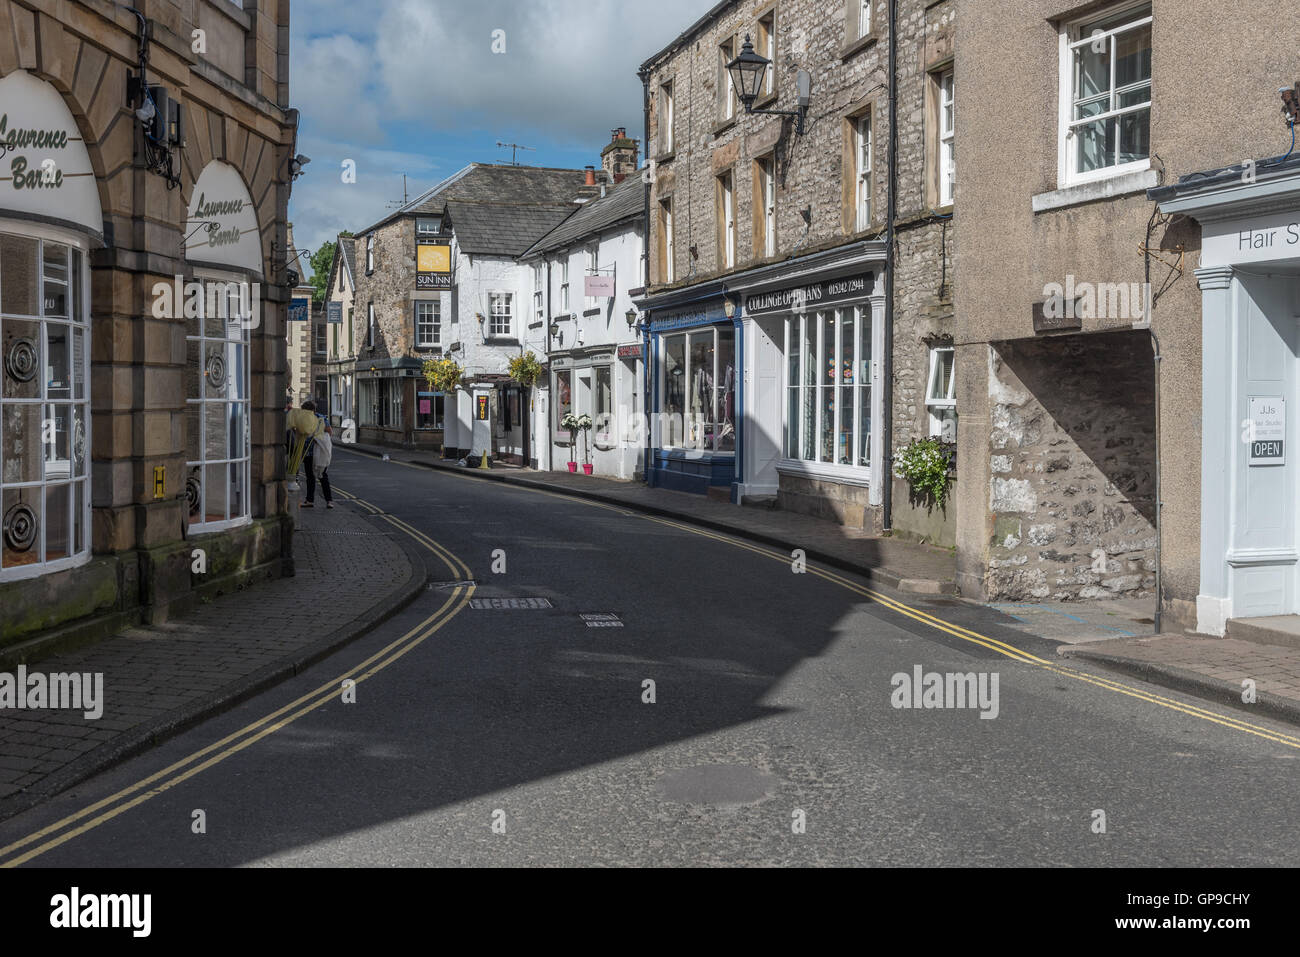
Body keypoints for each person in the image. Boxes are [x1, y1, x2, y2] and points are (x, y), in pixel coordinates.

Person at [300, 400, 333, 509]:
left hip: (314, 452)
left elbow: (329, 431)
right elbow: (329, 432)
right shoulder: (320, 418)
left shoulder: (320, 419)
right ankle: (323, 501)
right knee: (316, 476)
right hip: (312, 452)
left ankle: (320, 501)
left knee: (316, 476)